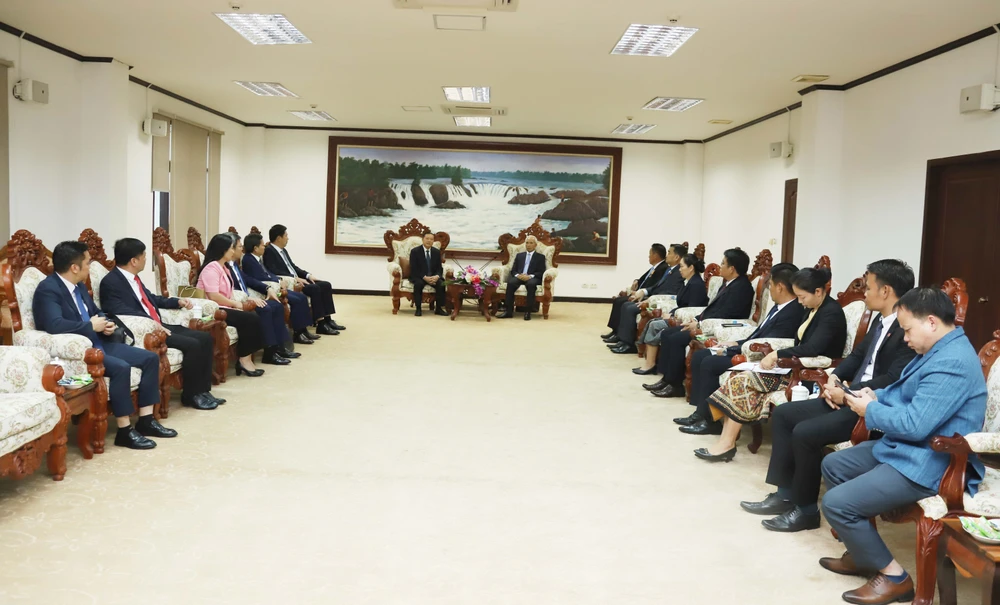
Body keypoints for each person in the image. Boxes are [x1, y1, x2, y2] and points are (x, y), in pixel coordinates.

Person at [819, 288, 986, 605]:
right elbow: (903, 393)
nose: (905, 338)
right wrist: (870, 396)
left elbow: (915, 424)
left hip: (934, 460)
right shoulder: (937, 349)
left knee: (838, 504)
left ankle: (896, 578)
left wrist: (869, 410)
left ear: (932, 322)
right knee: (834, 465)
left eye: (907, 329)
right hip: (907, 447)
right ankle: (864, 552)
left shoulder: (953, 362)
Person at [741, 260, 915, 534]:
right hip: (848, 394)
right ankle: (784, 493)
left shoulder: (907, 329)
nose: (865, 292)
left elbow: (894, 379)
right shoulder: (881, 321)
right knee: (786, 414)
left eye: (868, 287)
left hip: (869, 407)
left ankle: (806, 511)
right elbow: (857, 356)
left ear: (886, 291)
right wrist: (834, 377)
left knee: (806, 432)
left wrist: (846, 394)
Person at [693, 267, 847, 463]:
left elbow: (814, 348)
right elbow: (800, 343)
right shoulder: (814, 308)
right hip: (794, 366)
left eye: (802, 297)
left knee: (743, 381)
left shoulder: (831, 313)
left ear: (818, 292)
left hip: (811, 375)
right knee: (739, 377)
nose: (799, 302)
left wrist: (777, 354)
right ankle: (726, 442)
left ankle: (726, 444)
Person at [33, 241, 176, 450]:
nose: (90, 267)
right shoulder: (48, 289)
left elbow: (95, 310)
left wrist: (105, 323)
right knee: (120, 367)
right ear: (75, 267)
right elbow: (54, 325)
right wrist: (89, 325)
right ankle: (124, 431)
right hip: (81, 351)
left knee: (150, 358)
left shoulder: (79, 286)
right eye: (88, 263)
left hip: (100, 342)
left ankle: (146, 421)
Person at [675, 262, 803, 433]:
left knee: (709, 363)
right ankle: (700, 413)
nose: (769, 290)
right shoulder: (779, 308)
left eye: (770, 285)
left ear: (780, 287)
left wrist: (730, 350)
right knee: (701, 355)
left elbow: (769, 341)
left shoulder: (793, 312)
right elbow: (758, 335)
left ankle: (711, 422)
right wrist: (735, 343)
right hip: (749, 350)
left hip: (760, 359)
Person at [100, 237, 224, 411]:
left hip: (159, 324)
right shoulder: (111, 282)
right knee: (193, 344)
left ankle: (203, 391)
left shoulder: (134, 279)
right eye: (143, 256)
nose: (145, 259)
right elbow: (118, 310)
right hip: (148, 331)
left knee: (205, 338)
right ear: (134, 261)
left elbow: (151, 299)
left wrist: (176, 302)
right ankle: (191, 395)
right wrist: (152, 324)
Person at [645, 248, 756, 399]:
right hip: (706, 323)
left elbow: (727, 314)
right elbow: (711, 308)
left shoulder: (741, 288)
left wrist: (700, 325)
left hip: (716, 329)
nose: (720, 266)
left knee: (676, 339)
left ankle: (675, 385)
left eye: (723, 263)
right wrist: (697, 319)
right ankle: (667, 379)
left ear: (732, 268)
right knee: (667, 334)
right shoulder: (729, 283)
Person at [197, 233, 267, 377]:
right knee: (250, 319)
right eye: (230, 248)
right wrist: (236, 304)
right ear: (222, 250)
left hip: (224, 306)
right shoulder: (211, 268)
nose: (233, 251)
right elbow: (213, 295)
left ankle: (245, 358)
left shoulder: (224, 267)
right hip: (214, 310)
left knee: (254, 316)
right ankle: (244, 360)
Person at [227, 236, 299, 365]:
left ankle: (280, 348)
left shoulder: (234, 265)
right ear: (229, 248)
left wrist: (267, 288)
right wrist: (249, 298)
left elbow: (248, 279)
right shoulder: (222, 267)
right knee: (266, 309)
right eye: (239, 246)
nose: (242, 249)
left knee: (276, 305)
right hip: (237, 302)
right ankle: (269, 352)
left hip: (246, 297)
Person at [631, 253, 708, 372]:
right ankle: (650, 363)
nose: (680, 269)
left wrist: (672, 315)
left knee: (655, 325)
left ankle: (650, 364)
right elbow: (681, 304)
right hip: (679, 315)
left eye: (682, 266)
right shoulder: (687, 281)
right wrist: (671, 313)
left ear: (691, 267)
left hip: (686, 320)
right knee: (653, 323)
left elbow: (691, 308)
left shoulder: (696, 284)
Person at [264, 224, 345, 335]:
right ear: (278, 238)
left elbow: (293, 267)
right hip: (290, 283)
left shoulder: (283, 251)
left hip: (297, 278)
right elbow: (273, 270)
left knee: (326, 284)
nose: (288, 238)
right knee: (314, 288)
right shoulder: (269, 251)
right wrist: (295, 278)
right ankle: (320, 323)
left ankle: (328, 319)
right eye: (286, 235)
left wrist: (307, 275)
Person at [242, 233, 319, 346]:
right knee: (297, 300)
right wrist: (277, 281)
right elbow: (260, 278)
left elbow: (268, 273)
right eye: (262, 245)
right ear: (255, 248)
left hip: (275, 287)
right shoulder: (248, 260)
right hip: (265, 291)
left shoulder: (257, 259)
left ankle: (303, 330)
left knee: (301, 297)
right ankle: (298, 333)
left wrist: (278, 278)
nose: (264, 247)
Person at [609, 243, 687, 353]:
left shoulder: (678, 272)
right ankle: (622, 340)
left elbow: (671, 291)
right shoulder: (670, 269)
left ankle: (628, 344)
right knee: (626, 305)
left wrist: (650, 298)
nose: (667, 255)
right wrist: (644, 291)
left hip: (659, 300)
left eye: (669, 252)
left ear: (676, 257)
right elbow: (657, 285)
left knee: (629, 307)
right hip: (652, 296)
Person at [602, 243, 669, 344]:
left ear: (655, 255)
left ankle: (620, 335)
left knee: (622, 302)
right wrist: (636, 281)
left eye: (650, 254)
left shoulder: (662, 268)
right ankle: (615, 331)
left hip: (646, 296)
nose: (648, 256)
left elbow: (654, 285)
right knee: (618, 301)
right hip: (639, 293)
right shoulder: (655, 267)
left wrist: (639, 292)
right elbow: (644, 279)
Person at [498, 235, 547, 321]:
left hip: (532, 277)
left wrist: (530, 276)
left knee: (531, 285)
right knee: (511, 283)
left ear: (535, 245)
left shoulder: (540, 257)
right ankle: (508, 311)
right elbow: (513, 270)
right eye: (527, 243)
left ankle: (527, 312)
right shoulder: (519, 255)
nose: (528, 245)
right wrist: (518, 275)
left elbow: (541, 272)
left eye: (531, 243)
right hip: (519, 276)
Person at [408, 232, 448, 317]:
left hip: (433, 276)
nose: (429, 241)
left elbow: (439, 268)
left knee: (441, 284)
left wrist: (437, 276)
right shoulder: (415, 251)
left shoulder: (436, 252)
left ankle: (438, 309)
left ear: (433, 241)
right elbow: (414, 268)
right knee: (418, 284)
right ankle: (418, 308)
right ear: (423, 240)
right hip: (419, 276)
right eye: (427, 238)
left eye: (431, 239)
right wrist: (424, 277)